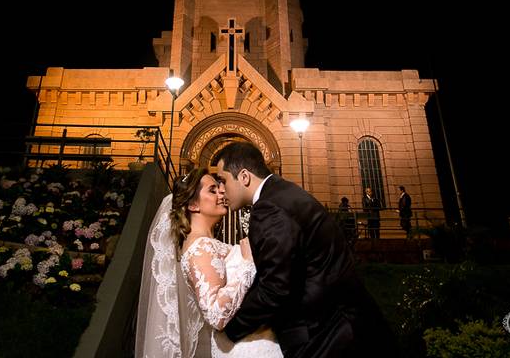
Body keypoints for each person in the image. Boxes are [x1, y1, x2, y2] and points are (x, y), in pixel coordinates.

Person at [216, 141, 396, 358]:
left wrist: (229, 330)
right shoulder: (285, 192)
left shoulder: (269, 208)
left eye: (223, 180)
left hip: (328, 336)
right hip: (349, 325)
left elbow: (275, 288)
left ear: (244, 176)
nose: (221, 189)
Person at [136, 167, 283, 357]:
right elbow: (216, 314)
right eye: (212, 190)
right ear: (193, 205)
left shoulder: (208, 244)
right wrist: (247, 264)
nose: (221, 192)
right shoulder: (201, 248)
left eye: (220, 187)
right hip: (243, 347)